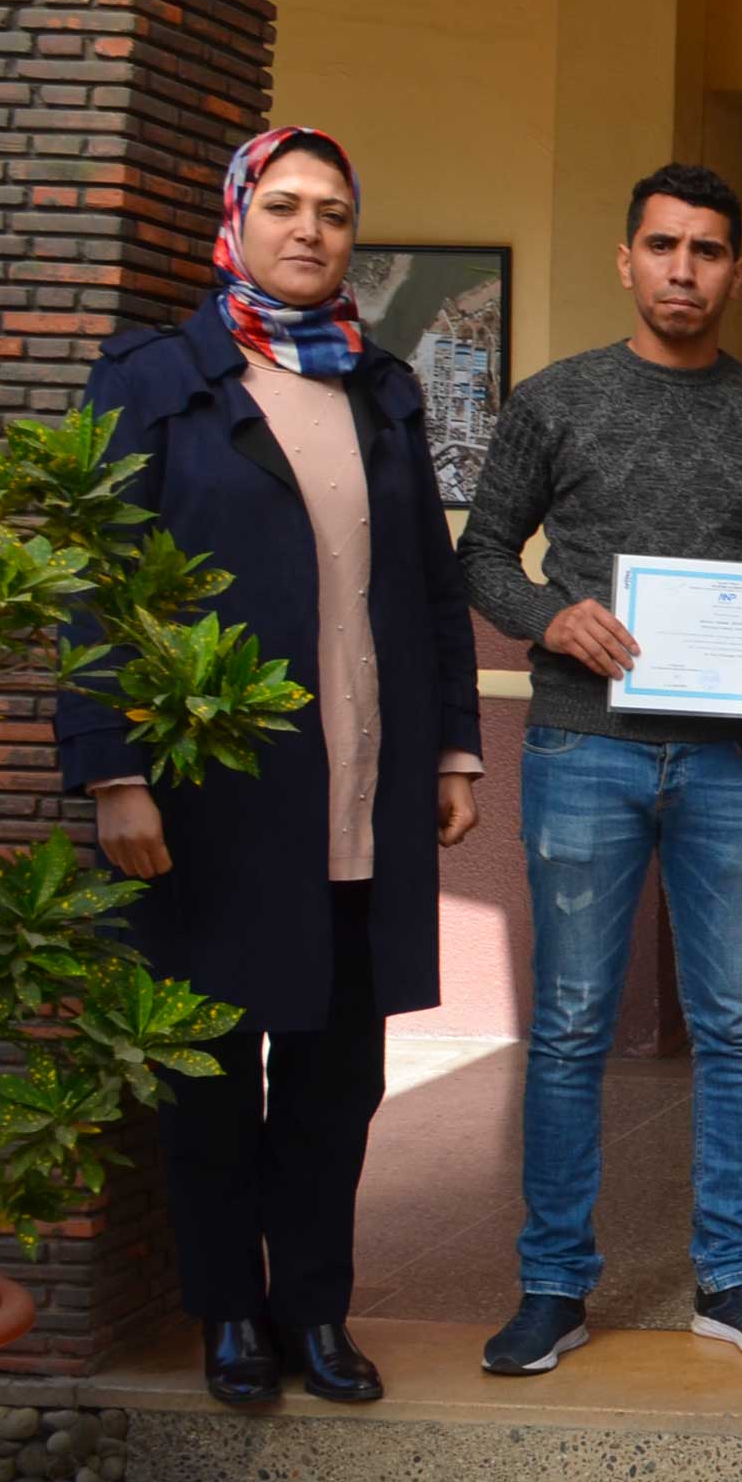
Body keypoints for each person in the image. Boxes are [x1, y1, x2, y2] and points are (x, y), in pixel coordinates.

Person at [61, 125, 483, 1409]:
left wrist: (456, 749)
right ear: (238, 218)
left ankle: (313, 1312)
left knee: (335, 1082)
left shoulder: (384, 389)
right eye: (287, 206)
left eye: (337, 213)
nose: (312, 231)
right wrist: (112, 770)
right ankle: (229, 1318)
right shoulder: (154, 381)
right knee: (210, 1076)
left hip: (363, 794)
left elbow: (427, 586)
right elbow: (95, 582)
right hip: (215, 805)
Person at [458, 163, 742, 1374]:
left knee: (735, 1025)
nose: (683, 269)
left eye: (707, 251)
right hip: (586, 745)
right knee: (573, 1024)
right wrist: (548, 617)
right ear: (626, 260)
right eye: (663, 246)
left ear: (736, 272)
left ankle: (730, 1280)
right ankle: (552, 1287)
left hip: (740, 759)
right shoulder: (557, 401)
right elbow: (482, 553)